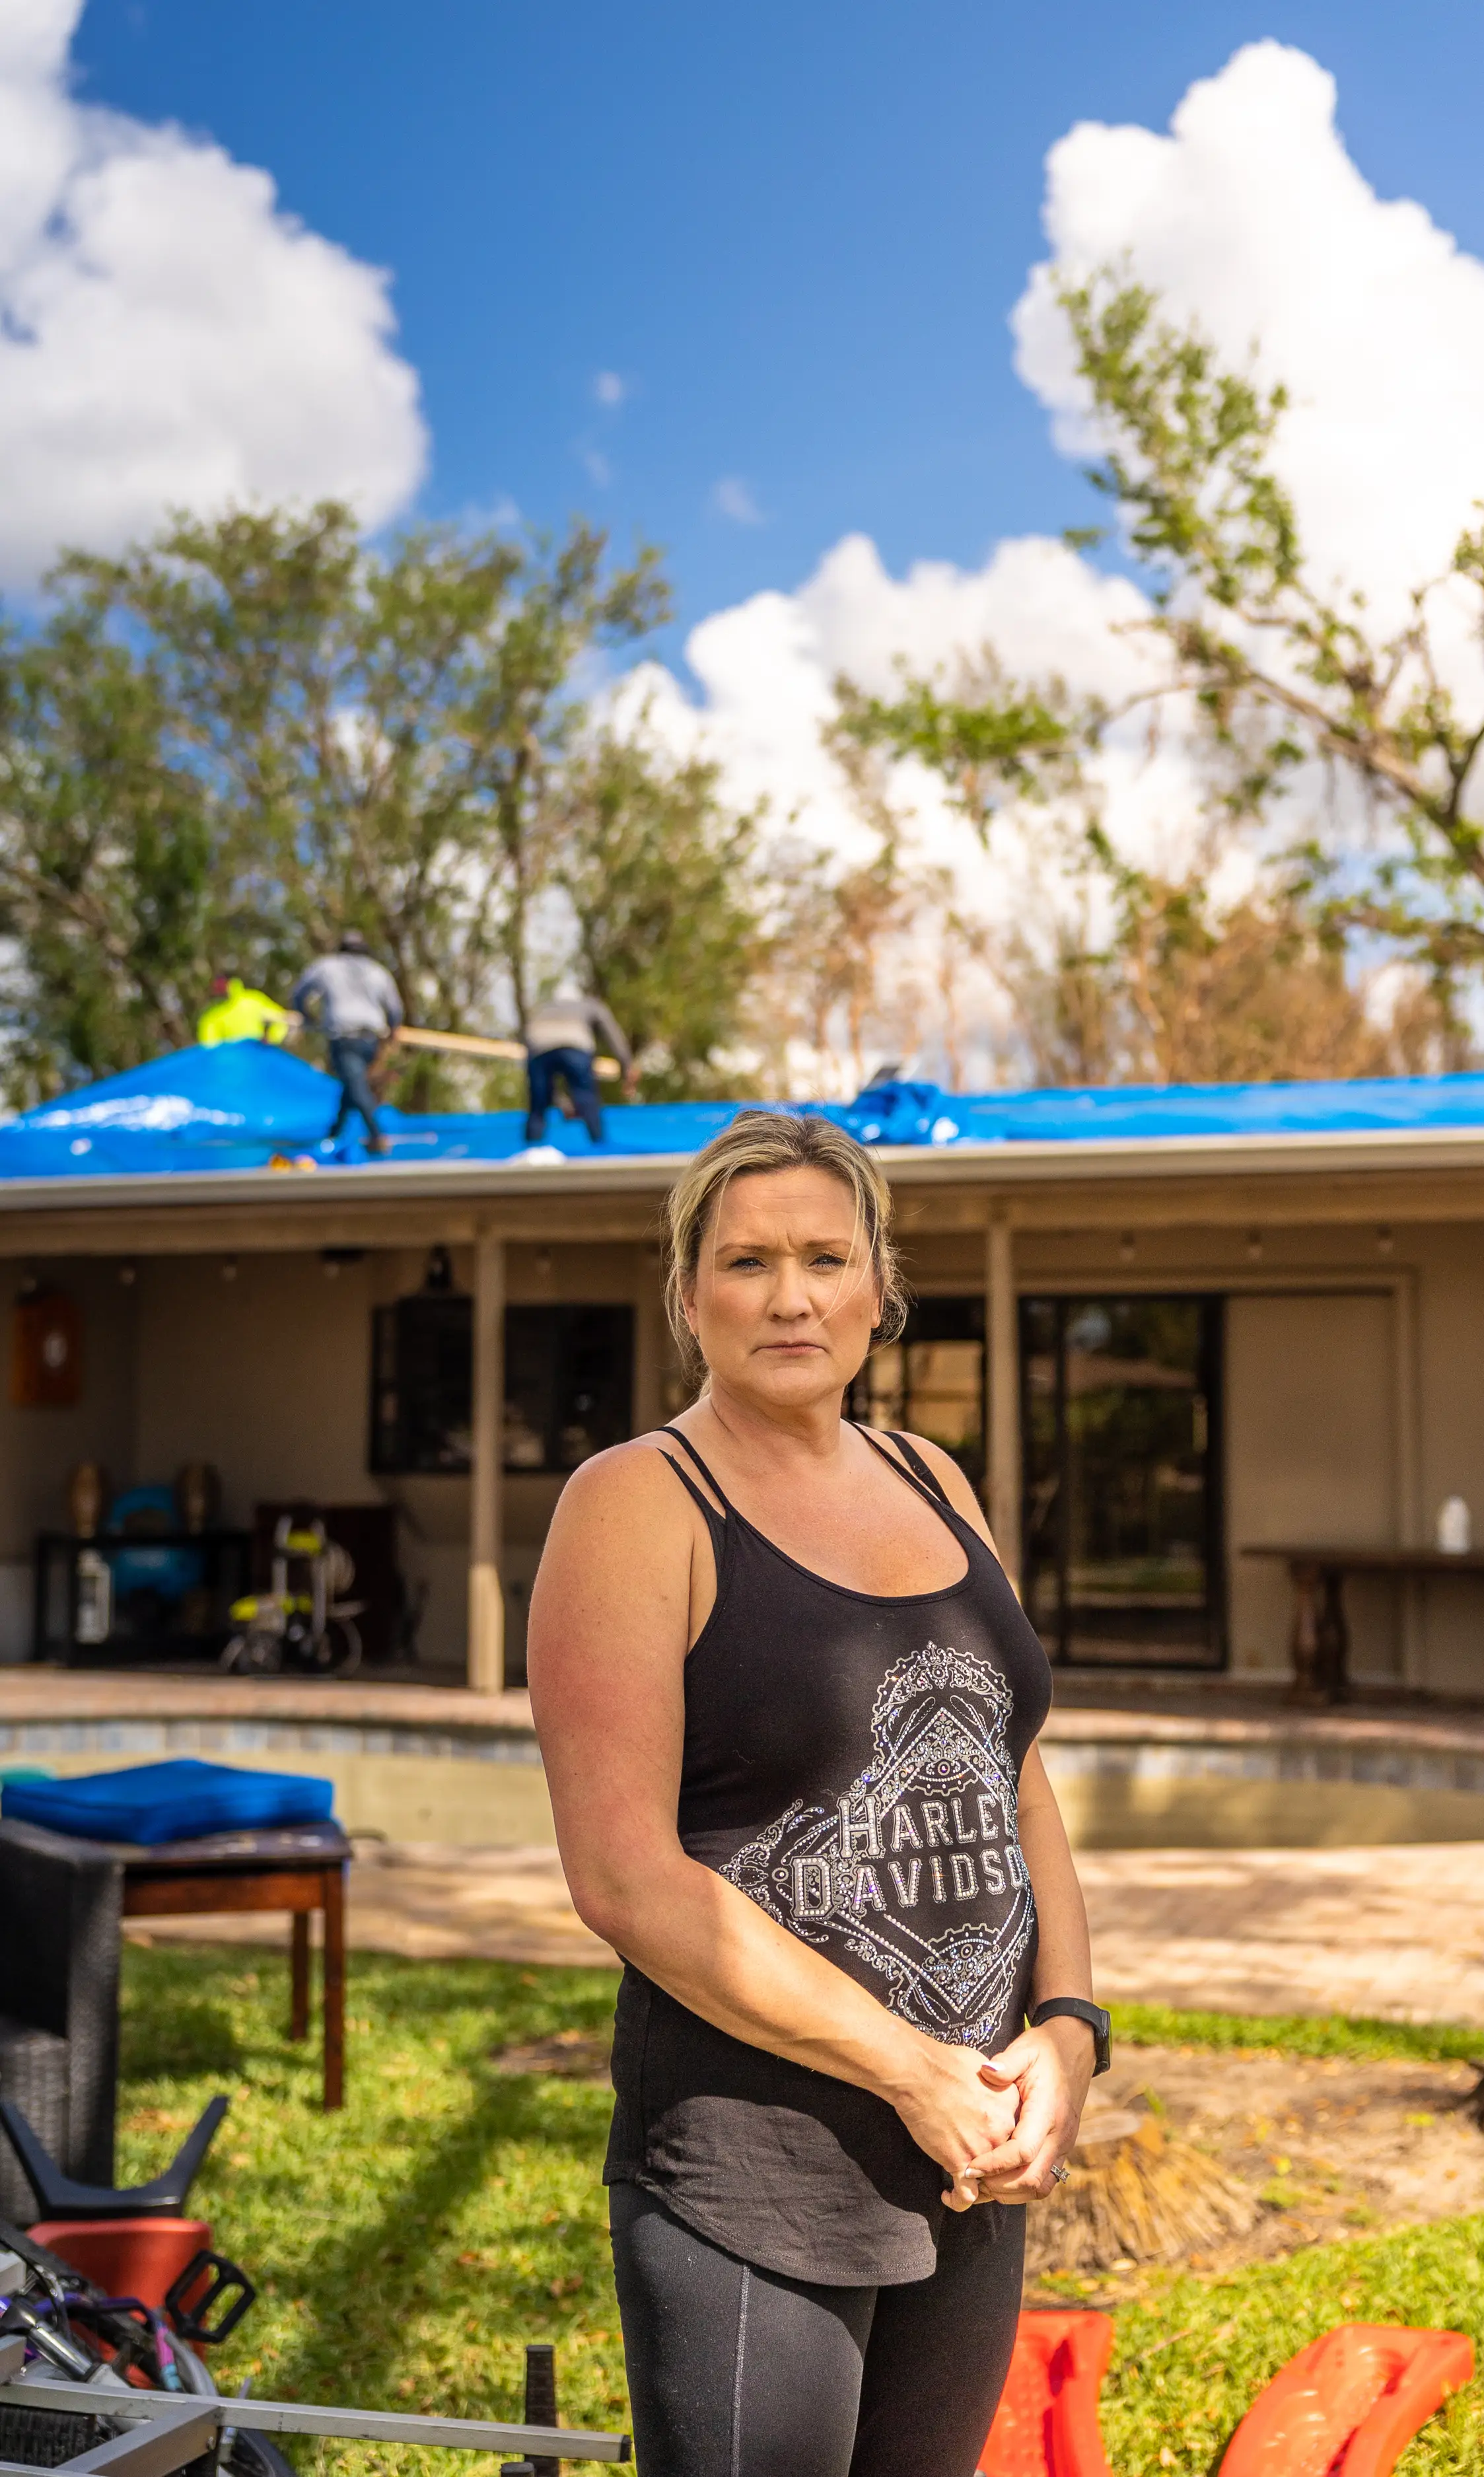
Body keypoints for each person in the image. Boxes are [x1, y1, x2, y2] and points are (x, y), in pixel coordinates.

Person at [528, 1112, 1105, 2477]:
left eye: (823, 1258)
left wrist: (1068, 2033)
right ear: (687, 1300)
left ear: (877, 1289)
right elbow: (622, 1878)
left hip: (966, 2158)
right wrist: (909, 2072)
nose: (788, 1296)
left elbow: (1013, 1786)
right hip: (754, 2173)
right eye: (744, 1263)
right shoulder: (637, 1504)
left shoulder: (931, 1478)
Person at [292, 930, 404, 1158]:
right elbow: (395, 1009)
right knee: (353, 1084)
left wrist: (308, 1016)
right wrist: (393, 1031)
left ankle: (377, 1135)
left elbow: (299, 994)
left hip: (344, 1037)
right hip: (371, 1039)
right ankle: (334, 1134)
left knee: (356, 1085)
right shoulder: (378, 972)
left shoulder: (326, 967)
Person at [522, 975, 637, 1147]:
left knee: (538, 1102)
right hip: (575, 1047)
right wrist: (627, 1064)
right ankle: (598, 1144)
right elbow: (612, 1033)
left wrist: (562, 1103)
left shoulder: (542, 1010)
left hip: (539, 1048)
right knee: (586, 1097)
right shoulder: (589, 1005)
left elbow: (536, 1070)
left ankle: (531, 1150)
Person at [195, 974, 291, 1048]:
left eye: (221, 985)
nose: (219, 989)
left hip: (260, 1059)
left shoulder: (254, 1001)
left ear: (230, 983)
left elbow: (281, 1020)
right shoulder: (211, 1016)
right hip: (232, 1066)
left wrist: (271, 1039)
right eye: (217, 987)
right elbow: (209, 1048)